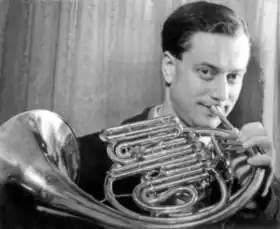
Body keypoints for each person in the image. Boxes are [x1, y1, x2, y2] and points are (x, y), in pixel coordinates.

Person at [0, 1, 279, 229]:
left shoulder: (248, 169)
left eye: (233, 76)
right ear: (169, 67)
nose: (222, 93)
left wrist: (261, 199)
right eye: (206, 72)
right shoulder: (88, 160)